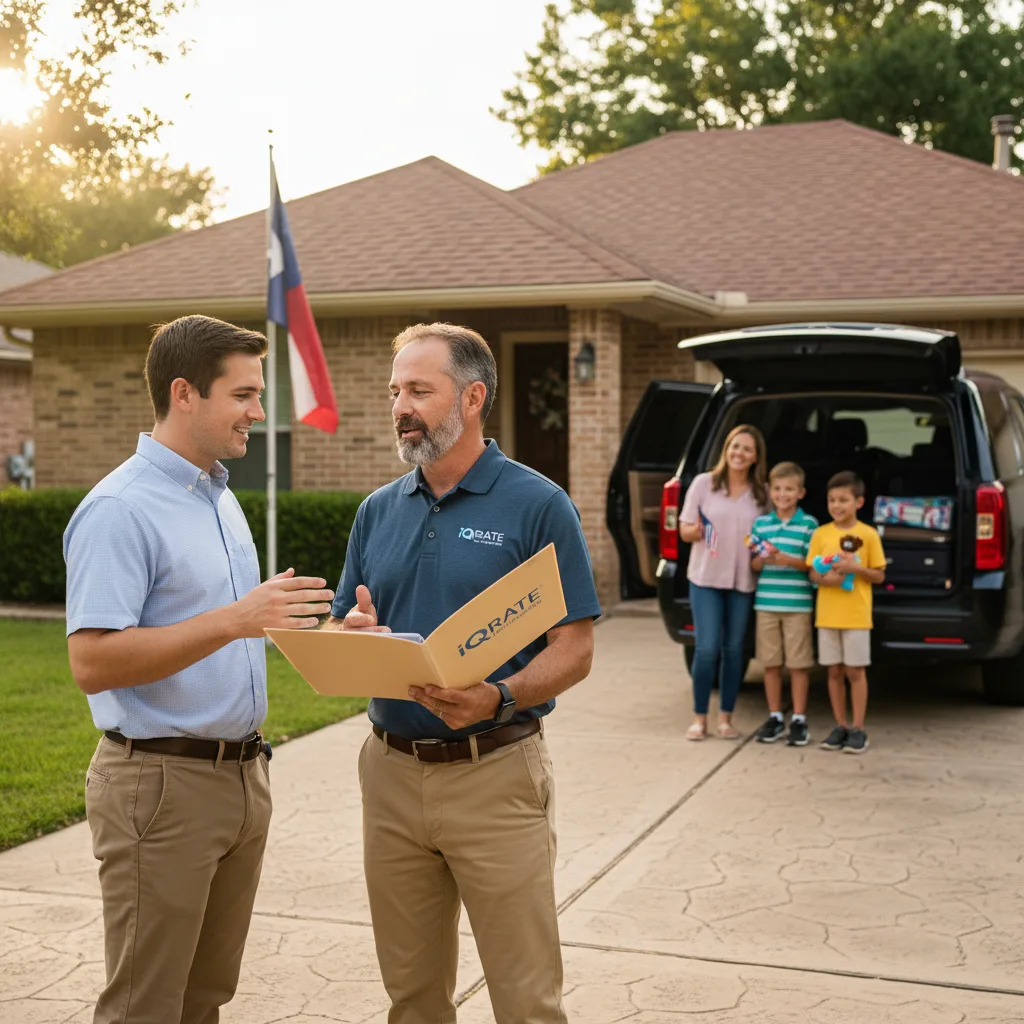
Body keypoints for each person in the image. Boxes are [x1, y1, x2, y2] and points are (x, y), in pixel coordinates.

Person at [322, 322, 600, 1024]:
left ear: (473, 396)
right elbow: (337, 624)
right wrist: (348, 635)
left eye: (420, 389)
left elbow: (576, 647)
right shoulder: (376, 511)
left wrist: (499, 695)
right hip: (389, 774)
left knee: (526, 1000)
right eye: (395, 391)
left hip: (496, 774)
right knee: (412, 999)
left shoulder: (538, 505)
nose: (400, 407)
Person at [63, 315, 335, 1024]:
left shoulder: (217, 496)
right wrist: (237, 619)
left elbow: (229, 634)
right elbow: (91, 661)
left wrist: (332, 635)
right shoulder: (120, 510)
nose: (258, 412)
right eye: (243, 395)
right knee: (145, 1006)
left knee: (203, 998)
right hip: (161, 788)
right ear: (185, 394)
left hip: (240, 779)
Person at [678, 424, 769, 741]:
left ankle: (726, 718)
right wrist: (701, 531)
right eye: (735, 446)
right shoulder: (704, 484)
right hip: (705, 579)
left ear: (756, 457)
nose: (739, 453)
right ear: (726, 449)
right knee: (706, 650)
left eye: (747, 449)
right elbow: (684, 529)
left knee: (734, 650)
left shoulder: (762, 495)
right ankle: (700, 718)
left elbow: (765, 538)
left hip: (742, 580)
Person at [807, 470, 887, 754]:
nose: (837, 506)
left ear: (859, 502)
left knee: (855, 671)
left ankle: (858, 728)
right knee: (833, 671)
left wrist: (856, 570)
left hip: (856, 616)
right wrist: (825, 579)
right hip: (827, 615)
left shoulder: (868, 535)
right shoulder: (821, 534)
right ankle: (839, 725)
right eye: (832, 500)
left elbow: (879, 576)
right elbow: (813, 573)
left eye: (843, 500)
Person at [749, 462, 818, 746]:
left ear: (800, 492)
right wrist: (762, 559)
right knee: (771, 663)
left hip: (798, 604)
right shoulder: (761, 524)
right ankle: (776, 716)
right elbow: (753, 564)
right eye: (777, 489)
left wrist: (789, 561)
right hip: (766, 602)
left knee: (799, 664)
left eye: (789, 489)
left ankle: (799, 718)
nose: (782, 494)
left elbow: (813, 566)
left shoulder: (809, 525)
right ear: (769, 491)